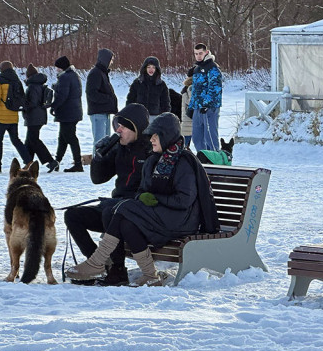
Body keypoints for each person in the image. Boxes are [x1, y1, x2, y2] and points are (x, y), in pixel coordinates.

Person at [66, 112, 217, 286]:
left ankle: (97, 262)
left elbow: (184, 200)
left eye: (155, 136)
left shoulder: (183, 161)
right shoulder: (154, 159)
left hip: (181, 220)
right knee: (126, 221)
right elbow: (142, 191)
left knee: (123, 208)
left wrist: (154, 198)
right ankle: (150, 275)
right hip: (162, 215)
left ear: (165, 135)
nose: (151, 140)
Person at [64, 103, 152, 286]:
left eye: (123, 126)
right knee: (72, 215)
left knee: (110, 211)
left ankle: (118, 270)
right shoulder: (119, 147)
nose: (118, 130)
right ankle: (100, 263)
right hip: (115, 207)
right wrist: (99, 156)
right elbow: (98, 178)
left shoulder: (151, 150)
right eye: (116, 126)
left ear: (136, 128)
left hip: (137, 212)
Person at [0, 60, 31, 174]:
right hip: (13, 115)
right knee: (16, 140)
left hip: (1, 117)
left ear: (2, 69)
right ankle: (28, 160)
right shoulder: (17, 80)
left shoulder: (0, 80)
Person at [22, 65, 59, 173]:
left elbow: (32, 102)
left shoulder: (32, 86)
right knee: (29, 140)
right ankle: (28, 163)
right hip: (39, 116)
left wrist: (23, 106)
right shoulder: (39, 84)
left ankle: (50, 161)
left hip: (34, 116)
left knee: (34, 140)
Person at [188, 43, 223, 152]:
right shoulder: (197, 68)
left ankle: (215, 160)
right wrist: (191, 106)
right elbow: (195, 90)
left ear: (206, 52)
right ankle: (203, 159)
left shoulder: (212, 68)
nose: (198, 56)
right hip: (197, 107)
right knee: (197, 137)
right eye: (196, 54)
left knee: (210, 137)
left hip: (209, 108)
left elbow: (215, 88)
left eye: (200, 53)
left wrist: (207, 104)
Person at [52, 55, 84, 172]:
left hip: (68, 112)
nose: (56, 70)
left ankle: (78, 163)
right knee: (63, 137)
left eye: (57, 67)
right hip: (73, 111)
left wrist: (53, 106)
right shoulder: (74, 75)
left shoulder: (65, 77)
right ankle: (56, 162)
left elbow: (63, 96)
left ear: (62, 67)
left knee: (70, 137)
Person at [86, 48, 118, 147]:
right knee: (99, 141)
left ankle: (104, 161)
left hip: (104, 111)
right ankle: (97, 161)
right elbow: (91, 93)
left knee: (106, 142)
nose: (111, 62)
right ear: (105, 59)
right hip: (98, 112)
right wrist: (108, 99)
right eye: (111, 60)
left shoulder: (103, 73)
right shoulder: (95, 73)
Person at [127, 56, 171, 120]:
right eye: (149, 67)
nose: (151, 69)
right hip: (139, 117)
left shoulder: (161, 85)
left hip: (155, 118)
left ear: (156, 69)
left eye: (153, 67)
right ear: (145, 68)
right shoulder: (137, 83)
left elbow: (166, 103)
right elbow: (130, 100)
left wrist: (165, 118)